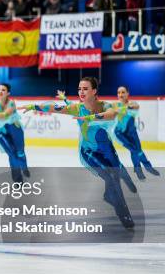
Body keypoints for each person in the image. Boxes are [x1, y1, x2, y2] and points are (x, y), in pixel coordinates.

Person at [20, 77, 137, 229]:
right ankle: (124, 214)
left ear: (94, 91)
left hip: (107, 150)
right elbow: (54, 107)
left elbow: (112, 114)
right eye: (79, 89)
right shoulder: (76, 108)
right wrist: (34, 106)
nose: (81, 92)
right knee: (111, 177)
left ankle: (110, 196)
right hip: (88, 152)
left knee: (115, 177)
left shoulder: (105, 105)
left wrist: (90, 118)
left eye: (85, 89)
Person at [112, 86, 160, 180]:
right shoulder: (115, 105)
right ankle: (143, 169)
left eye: (123, 92)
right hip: (120, 134)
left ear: (127, 93)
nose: (120, 95)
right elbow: (113, 112)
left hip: (132, 132)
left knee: (138, 150)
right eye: (119, 92)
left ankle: (145, 168)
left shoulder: (133, 103)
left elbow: (135, 106)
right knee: (134, 150)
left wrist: (123, 108)